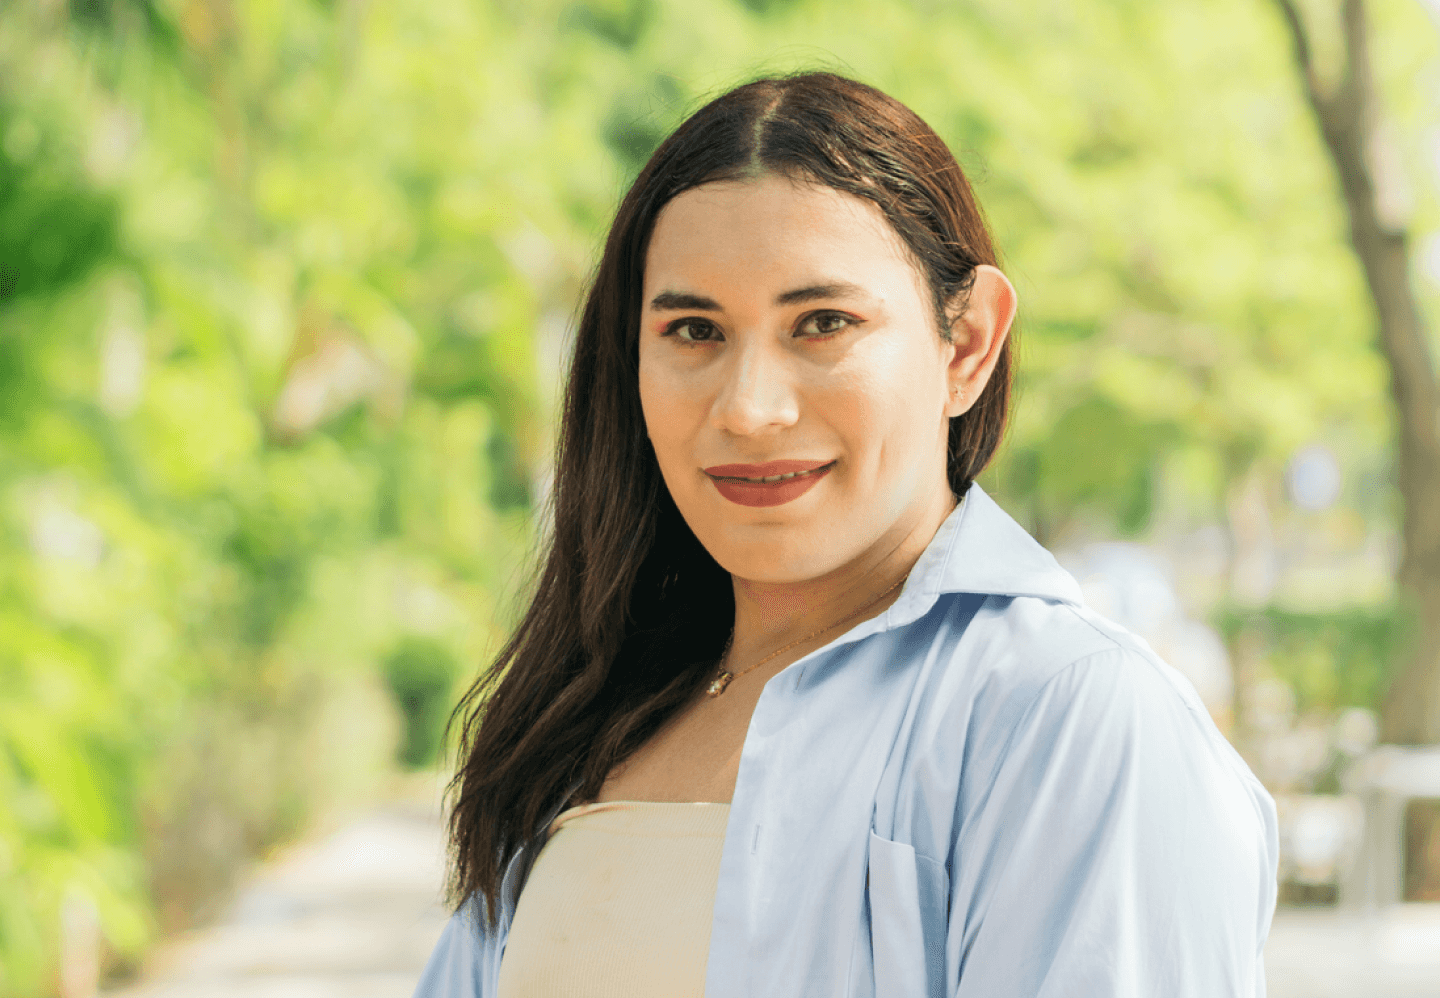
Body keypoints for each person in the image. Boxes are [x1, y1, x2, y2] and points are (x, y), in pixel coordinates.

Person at [412, 71, 1278, 998]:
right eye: (695, 331)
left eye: (823, 323)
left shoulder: (1067, 720)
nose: (749, 409)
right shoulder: (585, 712)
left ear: (967, 344)